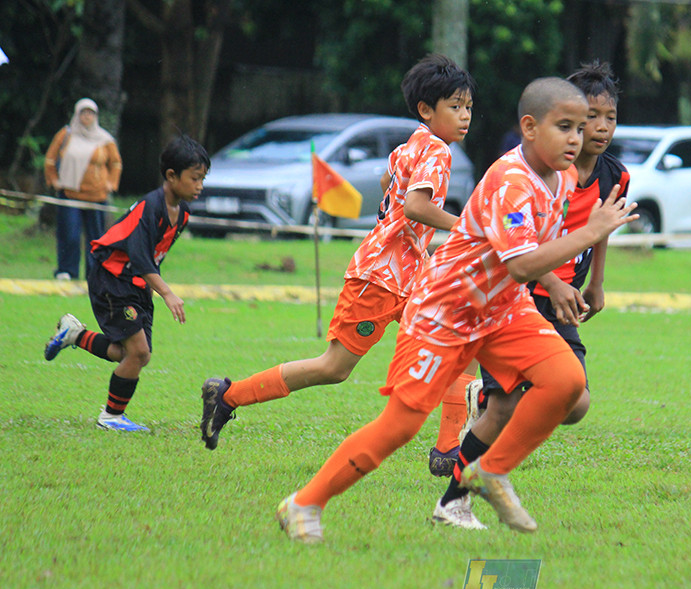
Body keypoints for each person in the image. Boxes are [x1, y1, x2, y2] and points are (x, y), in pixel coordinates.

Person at [274, 77, 638, 543]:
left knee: (567, 382)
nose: (577, 138)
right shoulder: (511, 182)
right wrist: (589, 234)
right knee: (399, 427)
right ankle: (304, 503)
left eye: (581, 128)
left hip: (502, 308)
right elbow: (522, 262)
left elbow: (525, 254)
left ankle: (488, 471)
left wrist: (563, 278)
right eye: (564, 127)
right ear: (529, 128)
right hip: (445, 311)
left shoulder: (562, 177)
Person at [198, 54, 478, 457]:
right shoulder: (436, 151)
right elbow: (416, 206)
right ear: (425, 110)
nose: (465, 116)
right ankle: (228, 396)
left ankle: (448, 449)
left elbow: (388, 180)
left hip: (411, 273)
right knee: (334, 367)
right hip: (380, 277)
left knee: (461, 337)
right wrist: (466, 226)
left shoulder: (412, 144)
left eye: (468, 107)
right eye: (455, 106)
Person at [431, 62, 630, 529]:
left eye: (608, 118)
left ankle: (486, 447)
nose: (597, 129)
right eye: (584, 120)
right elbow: (522, 255)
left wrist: (595, 282)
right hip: (516, 295)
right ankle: (454, 500)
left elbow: (599, 228)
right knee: (491, 408)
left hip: (558, 296)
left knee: (573, 401)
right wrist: (554, 282)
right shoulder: (533, 172)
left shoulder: (611, 175)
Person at [43, 135, 211, 432]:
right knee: (139, 353)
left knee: (128, 354)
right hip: (112, 277)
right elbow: (140, 257)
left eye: (203, 179)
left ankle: (75, 335)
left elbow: (152, 258)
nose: (199, 186)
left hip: (135, 283)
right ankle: (110, 417)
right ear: (171, 176)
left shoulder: (182, 213)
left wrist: (150, 286)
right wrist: (167, 293)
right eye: (194, 178)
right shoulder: (151, 207)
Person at [44, 98, 122, 280]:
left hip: (97, 196)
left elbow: (116, 163)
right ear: (77, 114)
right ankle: (67, 270)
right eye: (83, 113)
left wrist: (111, 183)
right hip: (70, 194)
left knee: (96, 238)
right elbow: (50, 158)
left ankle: (94, 274)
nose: (87, 117)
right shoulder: (66, 135)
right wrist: (54, 180)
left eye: (91, 113)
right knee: (69, 234)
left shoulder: (104, 139)